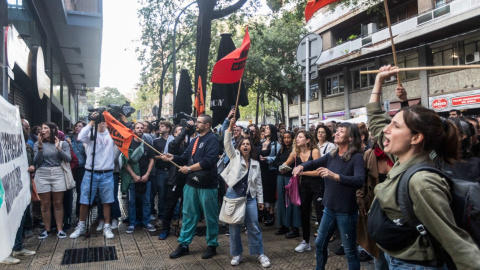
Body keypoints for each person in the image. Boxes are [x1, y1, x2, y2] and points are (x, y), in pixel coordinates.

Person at [367, 65, 480, 269]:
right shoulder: (403, 158)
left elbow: (454, 241)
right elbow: (376, 120)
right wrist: (379, 81)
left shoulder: (422, 182)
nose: (386, 129)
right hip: (394, 258)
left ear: (416, 138)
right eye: (390, 123)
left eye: (396, 126)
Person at [293, 122, 364, 270]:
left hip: (346, 211)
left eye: (341, 131)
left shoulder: (356, 157)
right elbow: (314, 162)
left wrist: (336, 176)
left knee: (350, 251)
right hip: (329, 208)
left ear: (350, 138)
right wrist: (301, 166)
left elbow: (359, 180)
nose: (336, 133)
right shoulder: (332, 155)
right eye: (336, 131)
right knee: (319, 243)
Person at [162, 114, 220, 259]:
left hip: (207, 185)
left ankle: (212, 245)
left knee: (210, 216)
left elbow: (209, 161)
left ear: (207, 125)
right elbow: (185, 158)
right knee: (188, 215)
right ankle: (183, 244)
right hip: (191, 184)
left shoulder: (213, 139)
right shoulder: (194, 140)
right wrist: (172, 157)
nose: (196, 124)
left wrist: (189, 169)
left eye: (199, 122)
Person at [221, 118, 271, 268]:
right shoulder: (234, 157)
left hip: (250, 199)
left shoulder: (255, 164)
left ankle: (260, 253)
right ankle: (237, 254)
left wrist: (260, 201)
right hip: (233, 197)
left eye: (248, 144)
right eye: (243, 144)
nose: (245, 146)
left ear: (251, 148)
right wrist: (229, 128)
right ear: (239, 146)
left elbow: (259, 184)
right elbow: (227, 144)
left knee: (254, 226)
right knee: (234, 227)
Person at [70, 112, 116, 239]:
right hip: (90, 173)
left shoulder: (111, 135)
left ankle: (107, 226)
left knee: (107, 201)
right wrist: (91, 121)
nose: (102, 122)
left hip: (107, 173)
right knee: (84, 201)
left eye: (104, 120)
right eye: (100, 120)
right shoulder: (90, 133)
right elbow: (80, 137)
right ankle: (81, 225)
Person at [283, 131, 322, 251]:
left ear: (308, 140)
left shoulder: (314, 152)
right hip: (303, 186)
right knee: (304, 213)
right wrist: (284, 168)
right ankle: (306, 241)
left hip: (317, 185)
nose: (297, 139)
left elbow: (319, 172)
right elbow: (284, 165)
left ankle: (322, 244)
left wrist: (301, 172)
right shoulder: (296, 153)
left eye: (300, 137)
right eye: (297, 137)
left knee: (320, 214)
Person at [33, 122, 71, 239]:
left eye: (45, 128)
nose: (42, 130)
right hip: (42, 173)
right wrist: (40, 147)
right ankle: (47, 229)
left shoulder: (62, 143)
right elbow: (36, 162)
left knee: (58, 203)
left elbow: (68, 159)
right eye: (42, 128)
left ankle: (60, 229)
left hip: (58, 172)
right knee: (45, 204)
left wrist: (59, 149)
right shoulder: (37, 144)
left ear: (52, 129)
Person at [158, 124, 194, 240]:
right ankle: (165, 229)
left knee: (187, 206)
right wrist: (185, 129)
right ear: (174, 134)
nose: (183, 132)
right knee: (170, 205)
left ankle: (183, 228)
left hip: (188, 179)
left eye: (183, 131)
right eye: (180, 131)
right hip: (175, 179)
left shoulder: (189, 144)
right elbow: (174, 144)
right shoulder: (173, 145)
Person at [123, 122, 156, 234]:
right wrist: (133, 175)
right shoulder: (128, 144)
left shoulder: (148, 143)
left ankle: (146, 222)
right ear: (133, 130)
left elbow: (152, 160)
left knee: (146, 201)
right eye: (138, 128)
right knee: (132, 202)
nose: (140, 129)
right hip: (132, 178)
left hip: (146, 177)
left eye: (142, 128)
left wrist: (147, 175)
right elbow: (124, 162)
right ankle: (132, 223)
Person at [273, 131, 301, 238]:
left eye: (288, 137)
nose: (286, 140)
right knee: (281, 201)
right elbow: (275, 162)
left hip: (291, 177)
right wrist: (282, 166)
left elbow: (297, 163)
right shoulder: (281, 149)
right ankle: (283, 225)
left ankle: (294, 227)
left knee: (291, 201)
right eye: (284, 138)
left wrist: (286, 167)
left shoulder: (295, 150)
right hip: (280, 176)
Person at [258, 124, 281, 226]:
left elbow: (277, 158)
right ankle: (265, 211)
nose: (265, 130)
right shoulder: (261, 142)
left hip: (270, 170)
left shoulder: (276, 144)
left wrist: (267, 158)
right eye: (265, 128)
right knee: (262, 190)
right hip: (260, 169)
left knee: (270, 191)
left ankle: (271, 213)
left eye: (268, 128)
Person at [152, 121, 174, 221]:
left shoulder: (174, 140)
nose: (160, 128)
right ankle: (161, 217)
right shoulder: (156, 141)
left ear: (168, 128)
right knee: (161, 196)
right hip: (161, 171)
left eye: (162, 126)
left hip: (172, 171)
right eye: (159, 126)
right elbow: (153, 156)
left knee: (173, 195)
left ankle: (174, 216)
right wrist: (160, 157)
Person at [68, 121, 87, 218]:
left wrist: (85, 147)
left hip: (82, 168)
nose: (77, 128)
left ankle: (79, 213)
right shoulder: (69, 139)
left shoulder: (85, 140)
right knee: (69, 190)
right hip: (71, 167)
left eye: (80, 126)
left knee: (80, 190)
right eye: (76, 126)